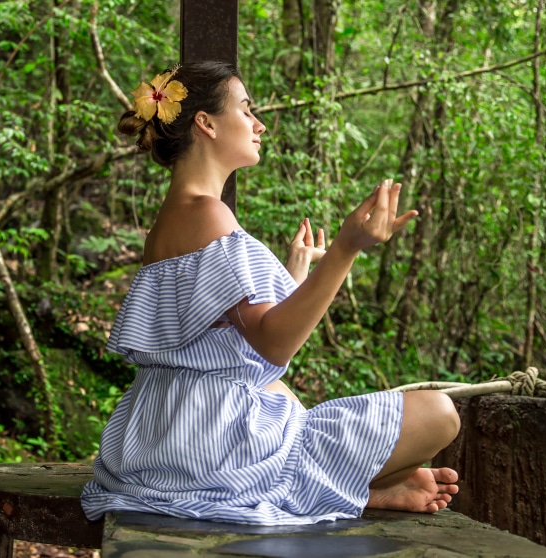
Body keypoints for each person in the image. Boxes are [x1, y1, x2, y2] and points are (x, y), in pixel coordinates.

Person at [80, 61, 461, 525]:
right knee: (439, 414)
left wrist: (294, 272)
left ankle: (358, 486)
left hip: (162, 437)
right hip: (211, 451)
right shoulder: (209, 215)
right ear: (206, 123)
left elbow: (229, 344)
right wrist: (347, 247)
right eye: (246, 110)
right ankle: (350, 486)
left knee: (280, 393)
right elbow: (274, 342)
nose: (259, 124)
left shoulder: (172, 218)